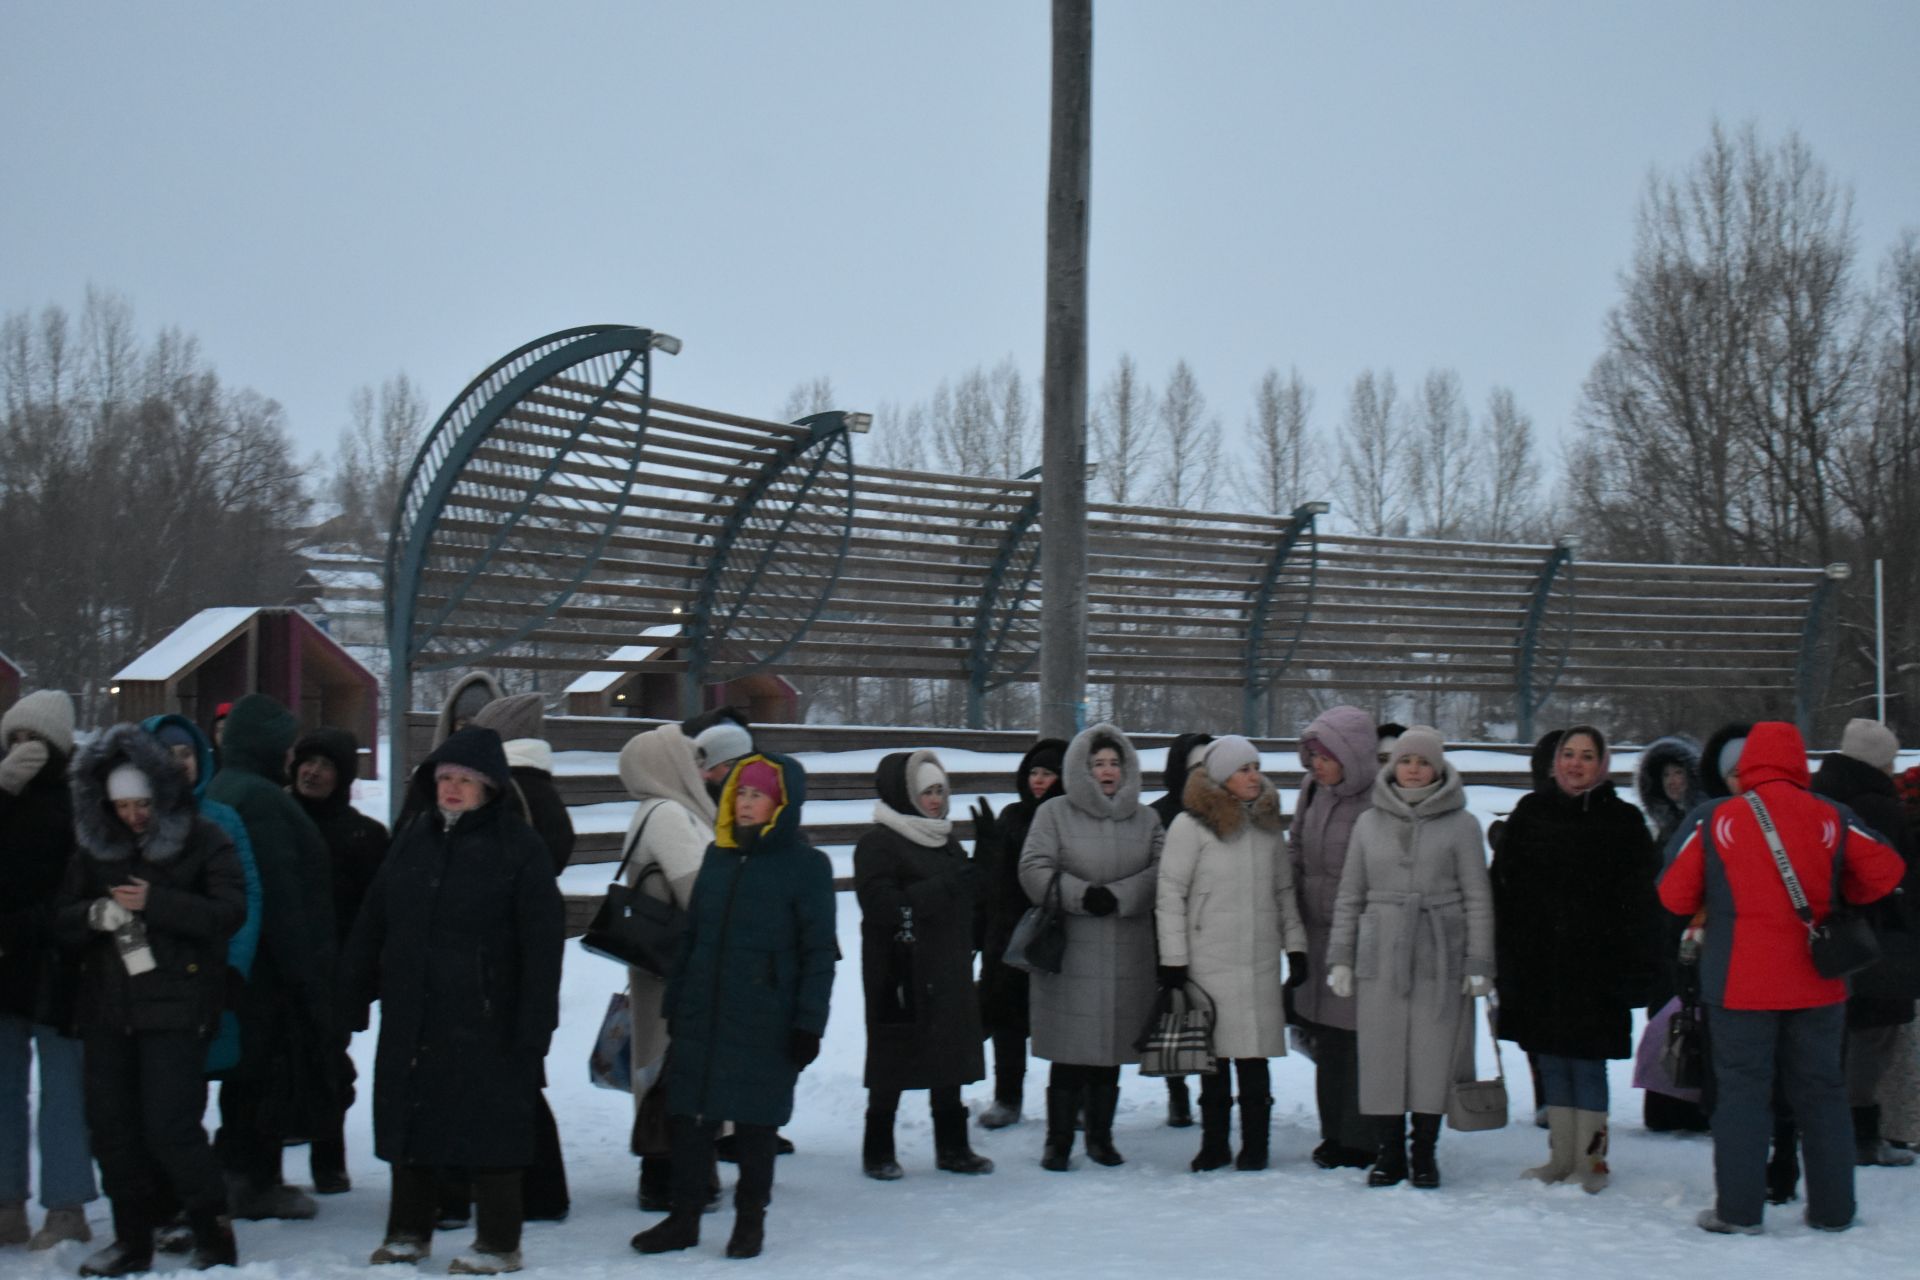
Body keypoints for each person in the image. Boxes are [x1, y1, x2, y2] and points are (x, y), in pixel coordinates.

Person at [1661, 721, 1906, 1234]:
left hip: (1738, 982)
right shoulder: (1831, 816)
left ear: (1747, 763)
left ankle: (1739, 1211)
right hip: (1819, 982)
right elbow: (1885, 870)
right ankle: (1833, 1210)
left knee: (1742, 1095)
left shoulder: (1716, 819)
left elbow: (1673, 895)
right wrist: (1840, 895)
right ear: (1800, 763)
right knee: (1822, 1092)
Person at [342, 727, 564, 1275]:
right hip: (414, 1011)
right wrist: (352, 989)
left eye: (465, 780)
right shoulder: (414, 837)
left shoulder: (519, 847)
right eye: (445, 778)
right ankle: (407, 1232)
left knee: (491, 1129)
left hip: (489, 1014)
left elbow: (542, 944)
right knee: (411, 1121)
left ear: (489, 787)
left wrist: (536, 1022)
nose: (453, 789)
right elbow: (374, 919)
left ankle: (498, 1241)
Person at [57, 725, 245, 1275]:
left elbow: (227, 913)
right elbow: (60, 917)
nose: (134, 816)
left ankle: (213, 1229)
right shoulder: (94, 848)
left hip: (178, 1007)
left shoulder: (204, 838)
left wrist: (156, 903)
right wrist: (92, 916)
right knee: (112, 1130)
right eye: (122, 806)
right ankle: (130, 1239)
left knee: (172, 1128)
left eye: (142, 804)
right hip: (108, 1010)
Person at [633, 753, 836, 1260]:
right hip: (703, 1009)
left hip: (765, 1016)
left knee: (755, 1123)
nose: (746, 803)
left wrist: (809, 1022)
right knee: (689, 1116)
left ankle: (750, 1223)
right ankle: (683, 1218)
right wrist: (678, 1002)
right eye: (740, 793)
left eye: (758, 795)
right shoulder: (717, 858)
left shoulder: (806, 867)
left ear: (781, 803)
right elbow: (694, 936)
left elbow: (818, 953)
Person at [1492, 724, 1661, 1192]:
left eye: (1587, 755)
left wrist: (1636, 967)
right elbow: (1502, 888)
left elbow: (1642, 903)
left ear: (1602, 764)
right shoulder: (1530, 813)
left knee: (1587, 1063)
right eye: (1568, 754)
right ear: (1555, 761)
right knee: (1549, 1058)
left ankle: (1592, 1160)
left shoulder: (1623, 822)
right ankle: (1559, 1157)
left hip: (1597, 969)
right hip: (1538, 964)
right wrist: (1505, 955)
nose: (1576, 763)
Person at [1326, 727, 1494, 1189]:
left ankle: (1424, 1152)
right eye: (1406, 761)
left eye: (1423, 762)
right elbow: (1350, 894)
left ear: (1437, 767)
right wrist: (1341, 956)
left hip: (1441, 953)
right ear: (1392, 766)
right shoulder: (1368, 822)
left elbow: (1478, 897)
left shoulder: (1462, 825)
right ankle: (1389, 1152)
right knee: (1381, 1054)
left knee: (1432, 1054)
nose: (1414, 769)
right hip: (1380, 952)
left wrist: (1479, 963)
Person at [205, 694, 336, 1220]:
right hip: (265, 968)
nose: (292, 756)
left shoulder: (222, 786)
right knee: (262, 1076)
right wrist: (307, 974)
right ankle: (254, 1181)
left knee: (244, 1075)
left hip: (237, 961)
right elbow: (279, 893)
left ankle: (239, 1173)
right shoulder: (260, 801)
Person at [447, 695, 571, 1226]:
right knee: (518, 1075)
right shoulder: (542, 786)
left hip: (493, 952)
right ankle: (541, 1189)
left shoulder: (510, 789)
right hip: (523, 949)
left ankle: (522, 1188)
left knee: (493, 1077)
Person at [1155, 736, 1306, 1172]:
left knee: (1255, 1062)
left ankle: (1256, 1147)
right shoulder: (1190, 826)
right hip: (1208, 961)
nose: (1253, 775)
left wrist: (1294, 946)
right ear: (1221, 776)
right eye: (1243, 768)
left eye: (1256, 766)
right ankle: (1214, 1144)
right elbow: (1170, 894)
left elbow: (1283, 891)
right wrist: (1174, 959)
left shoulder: (1266, 826)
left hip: (1257, 961)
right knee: (1214, 1063)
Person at [1018, 724, 1163, 1172]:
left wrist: (1119, 896)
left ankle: (1101, 1137)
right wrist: (1081, 894)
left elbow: (1163, 872)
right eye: (1098, 763)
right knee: (1070, 1053)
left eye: (1115, 763)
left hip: (1127, 950)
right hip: (1071, 951)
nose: (1107, 771)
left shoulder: (1146, 819)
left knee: (1110, 1053)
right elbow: (1033, 868)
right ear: (1082, 769)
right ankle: (1057, 1141)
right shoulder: (1055, 814)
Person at [855, 751, 991, 1179]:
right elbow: (883, 906)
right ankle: (877, 1150)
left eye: (939, 791)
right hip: (899, 969)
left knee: (948, 1053)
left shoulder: (943, 840)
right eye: (926, 792)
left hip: (947, 965)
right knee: (893, 1057)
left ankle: (953, 1147)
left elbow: (967, 897)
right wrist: (948, 885)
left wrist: (988, 857)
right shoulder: (878, 842)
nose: (935, 800)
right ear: (905, 794)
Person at [0, 691, 98, 1251]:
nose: (24, 749)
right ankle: (7, 1202)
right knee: (4, 1091)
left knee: (63, 1092)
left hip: (58, 963)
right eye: (15, 738)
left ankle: (66, 1206)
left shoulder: (78, 804)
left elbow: (85, 875)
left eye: (34, 739)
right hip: (6, 963)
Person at [615, 721, 723, 1214]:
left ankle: (669, 1174)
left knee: (661, 1070)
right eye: (689, 760)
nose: (700, 771)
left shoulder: (651, 810)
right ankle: (676, 1178)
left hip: (657, 969)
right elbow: (703, 893)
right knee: (677, 1073)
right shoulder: (668, 816)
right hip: (678, 973)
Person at [1810, 718, 1919, 1167]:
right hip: (1879, 940)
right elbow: (1900, 878)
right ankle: (1860, 1135)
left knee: (1832, 1034)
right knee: (1873, 1038)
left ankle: (1821, 1126)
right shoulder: (1881, 806)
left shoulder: (1819, 795)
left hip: (1827, 935)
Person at [286, 726, 387, 1196]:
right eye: (308, 761)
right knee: (275, 1065)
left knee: (328, 1064)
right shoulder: (276, 821)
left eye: (325, 765)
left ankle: (329, 1161)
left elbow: (376, 914)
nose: (313, 771)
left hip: (335, 973)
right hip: (281, 968)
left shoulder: (364, 836)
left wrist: (363, 975)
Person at [1288, 705, 1380, 1170]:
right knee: (1328, 1040)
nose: (1316, 764)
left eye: (1325, 756)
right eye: (1312, 756)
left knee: (1359, 1038)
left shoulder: (1379, 798)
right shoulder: (1312, 791)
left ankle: (1362, 1138)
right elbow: (1297, 848)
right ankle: (1333, 1133)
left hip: (1360, 938)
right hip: (1316, 934)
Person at [970, 738, 1066, 1130]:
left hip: (1058, 933)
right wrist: (987, 847)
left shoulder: (1069, 817)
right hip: (1008, 936)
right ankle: (1007, 1097)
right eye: (1034, 772)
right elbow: (988, 882)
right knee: (1007, 1021)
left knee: (1064, 1021)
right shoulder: (1011, 816)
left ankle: (1070, 1100)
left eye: (1048, 772)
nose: (1039, 781)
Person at [1633, 734, 1713, 1136]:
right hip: (1663, 942)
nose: (1673, 781)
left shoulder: (1704, 822)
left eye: (1679, 772)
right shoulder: (1663, 827)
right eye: (1665, 774)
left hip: (1695, 937)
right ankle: (1668, 1105)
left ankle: (1693, 1106)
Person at [1146, 732, 1211, 1130]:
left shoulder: (1222, 809)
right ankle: (1177, 1089)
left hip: (1212, 925)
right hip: (1168, 924)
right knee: (1175, 1008)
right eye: (1193, 769)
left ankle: (1207, 1089)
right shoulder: (1161, 814)